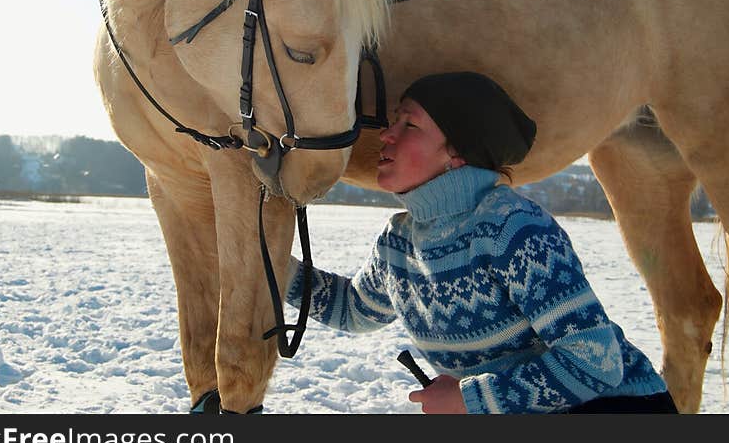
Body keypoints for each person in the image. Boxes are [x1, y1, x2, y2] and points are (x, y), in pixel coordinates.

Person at [285, 71, 677, 414]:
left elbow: (595, 361)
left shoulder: (512, 229)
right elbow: (353, 309)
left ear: (457, 152)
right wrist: (269, 269)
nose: (386, 135)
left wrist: (469, 400)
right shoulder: (398, 242)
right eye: (394, 123)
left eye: (410, 126)